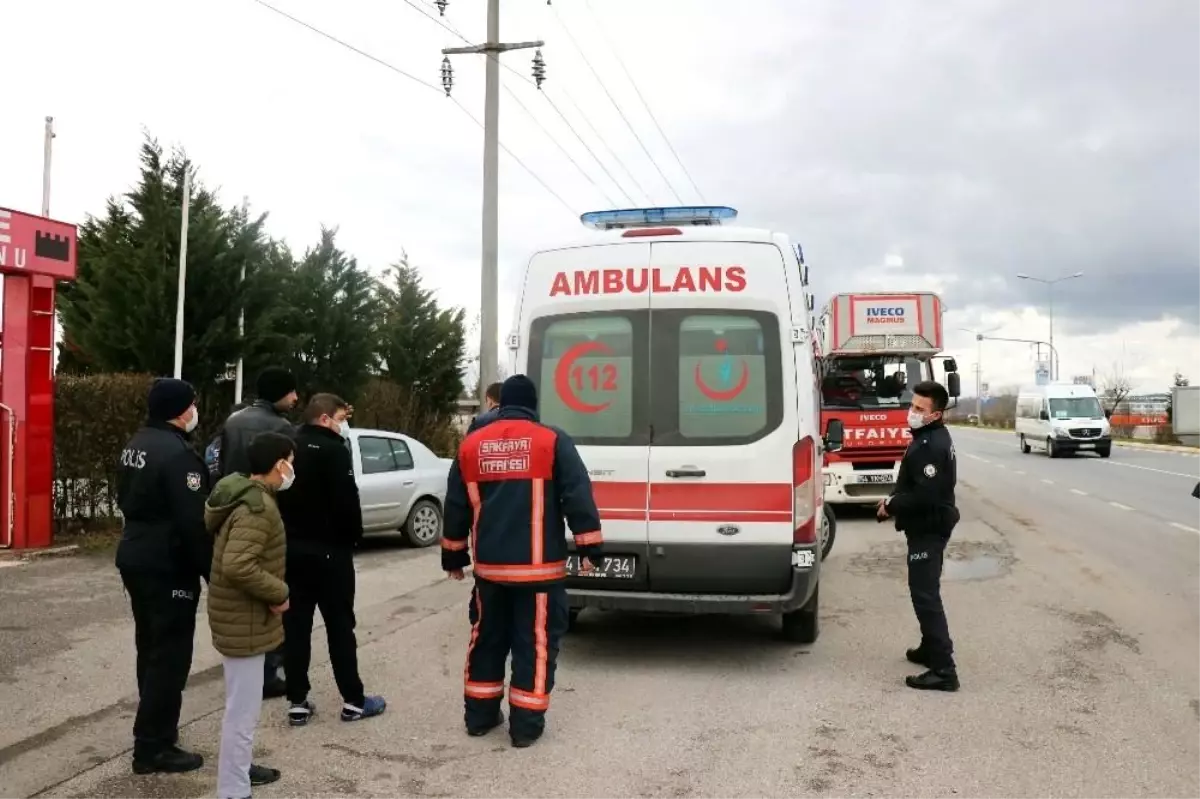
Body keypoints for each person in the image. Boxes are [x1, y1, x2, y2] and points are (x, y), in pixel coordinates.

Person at [442, 374, 604, 748]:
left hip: (490, 570)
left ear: (498, 405)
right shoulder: (552, 440)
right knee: (535, 645)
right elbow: (577, 495)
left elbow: (455, 504)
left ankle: (480, 718)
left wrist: (453, 555)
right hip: (539, 572)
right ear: (533, 404)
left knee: (486, 640)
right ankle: (525, 728)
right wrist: (590, 548)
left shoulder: (471, 445)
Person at [115, 378, 212, 775]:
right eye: (192, 404)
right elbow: (194, 524)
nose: (195, 411)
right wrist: (214, 574)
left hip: (136, 555)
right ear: (179, 409)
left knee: (150, 649)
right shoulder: (177, 456)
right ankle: (153, 747)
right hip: (167, 564)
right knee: (170, 657)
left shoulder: (135, 445)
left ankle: (157, 731)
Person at [276, 393, 386, 725]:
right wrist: (353, 538)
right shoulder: (335, 451)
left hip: (292, 550)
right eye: (341, 416)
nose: (344, 424)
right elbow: (346, 502)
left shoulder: (288, 446)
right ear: (325, 419)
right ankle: (353, 700)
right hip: (330, 553)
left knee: (296, 628)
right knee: (340, 626)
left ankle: (297, 700)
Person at [205, 432, 295, 798]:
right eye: (291, 461)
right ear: (279, 465)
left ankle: (236, 782)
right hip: (244, 619)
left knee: (240, 710)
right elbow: (238, 565)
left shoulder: (246, 496)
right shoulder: (257, 508)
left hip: (240, 617)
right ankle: (234, 790)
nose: (293, 469)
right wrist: (280, 592)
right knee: (242, 715)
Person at [876, 379, 961, 692]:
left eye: (919, 409)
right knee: (926, 590)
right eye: (912, 405)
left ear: (935, 414)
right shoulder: (928, 436)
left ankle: (944, 669)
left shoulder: (930, 445)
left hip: (929, 526)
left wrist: (890, 505)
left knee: (925, 595)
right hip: (927, 523)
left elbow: (924, 495)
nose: (911, 412)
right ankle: (929, 648)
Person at [219, 366, 298, 698]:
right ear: (279, 393)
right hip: (267, 511)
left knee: (241, 592)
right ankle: (267, 671)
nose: (296, 398)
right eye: (292, 392)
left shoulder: (233, 422)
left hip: (234, 508)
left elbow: (220, 466)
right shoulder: (281, 428)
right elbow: (290, 478)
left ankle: (247, 664)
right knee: (270, 588)